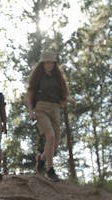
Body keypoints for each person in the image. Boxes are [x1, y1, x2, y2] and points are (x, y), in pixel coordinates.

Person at [25, 51, 75, 182]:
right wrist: (31, 111)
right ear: (42, 63)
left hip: (55, 109)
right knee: (50, 136)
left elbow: (62, 95)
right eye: (46, 62)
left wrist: (69, 100)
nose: (49, 64)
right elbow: (30, 94)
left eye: (51, 62)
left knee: (55, 142)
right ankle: (50, 170)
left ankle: (41, 159)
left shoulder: (57, 78)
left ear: (54, 63)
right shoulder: (38, 78)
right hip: (41, 109)